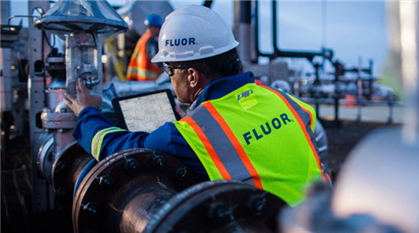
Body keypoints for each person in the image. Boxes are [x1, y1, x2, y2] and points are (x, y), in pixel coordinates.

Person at [64, 5, 331, 206]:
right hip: (324, 220)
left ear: (192, 76)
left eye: (169, 70)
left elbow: (115, 149)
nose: (168, 77)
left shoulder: (184, 136)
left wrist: (86, 112)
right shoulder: (287, 101)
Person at [126, 13, 163, 81]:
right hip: (148, 80)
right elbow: (154, 59)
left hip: (138, 79)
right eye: (158, 28)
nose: (160, 31)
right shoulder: (150, 40)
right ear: (152, 27)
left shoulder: (143, 38)